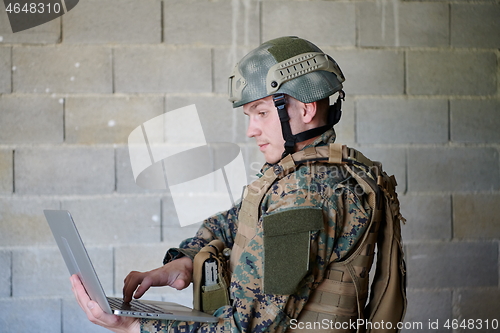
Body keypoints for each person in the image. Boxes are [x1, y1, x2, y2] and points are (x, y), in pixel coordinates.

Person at [71, 36, 402, 333]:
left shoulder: (309, 197)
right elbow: (232, 221)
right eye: (249, 117)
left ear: (305, 108)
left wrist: (135, 327)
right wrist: (184, 260)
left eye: (261, 113)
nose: (251, 131)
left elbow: (247, 327)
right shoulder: (301, 178)